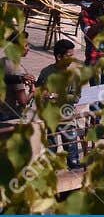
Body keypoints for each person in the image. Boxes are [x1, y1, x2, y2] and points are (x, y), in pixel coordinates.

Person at [36, 40, 82, 168]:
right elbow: (38, 89)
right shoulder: (46, 72)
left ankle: (74, 180)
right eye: (69, 55)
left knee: (72, 154)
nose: (72, 59)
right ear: (59, 57)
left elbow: (76, 97)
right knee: (51, 153)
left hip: (67, 120)